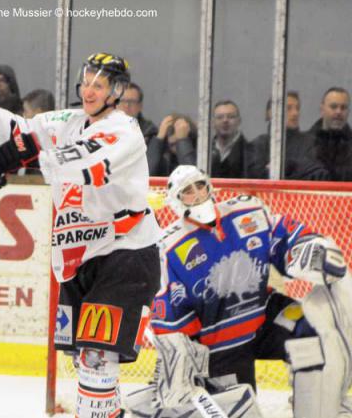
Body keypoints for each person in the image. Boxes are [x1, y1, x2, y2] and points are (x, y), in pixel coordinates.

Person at [0, 52, 162, 418]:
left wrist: (20, 156)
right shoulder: (70, 119)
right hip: (78, 255)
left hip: (124, 253)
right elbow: (23, 132)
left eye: (99, 85)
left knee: (97, 360)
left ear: (117, 91)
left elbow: (82, 164)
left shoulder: (124, 130)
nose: (89, 90)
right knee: (86, 363)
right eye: (85, 83)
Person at [148, 164, 352, 417]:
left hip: (263, 316)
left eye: (200, 185)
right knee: (241, 411)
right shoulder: (170, 247)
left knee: (316, 329)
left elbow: (283, 234)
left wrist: (306, 246)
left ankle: (318, 409)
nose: (197, 193)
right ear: (176, 201)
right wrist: (183, 356)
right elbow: (168, 311)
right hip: (220, 344)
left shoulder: (246, 211)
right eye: (187, 191)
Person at [249, 91, 311, 179]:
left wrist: (282, 166)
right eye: (288, 108)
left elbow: (310, 171)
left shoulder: (309, 142)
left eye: (297, 108)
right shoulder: (259, 144)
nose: (295, 113)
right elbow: (254, 176)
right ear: (270, 113)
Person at [299, 87, 352, 181]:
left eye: (343, 107)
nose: (338, 112)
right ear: (322, 109)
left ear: (348, 111)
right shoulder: (303, 144)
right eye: (333, 106)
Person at [210, 100, 251, 178]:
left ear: (239, 121)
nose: (225, 120)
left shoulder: (250, 152)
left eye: (231, 116)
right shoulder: (205, 151)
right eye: (220, 117)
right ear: (213, 122)